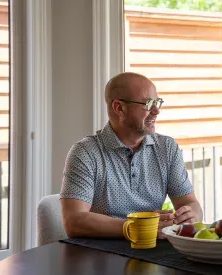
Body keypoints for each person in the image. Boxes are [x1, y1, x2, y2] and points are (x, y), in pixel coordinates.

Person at [60, 72, 203, 239]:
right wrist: (140, 228)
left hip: (153, 250)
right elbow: (74, 221)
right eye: (148, 103)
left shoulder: (167, 148)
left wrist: (191, 215)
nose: (156, 111)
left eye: (157, 103)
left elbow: (191, 204)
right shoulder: (85, 152)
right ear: (119, 108)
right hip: (100, 256)